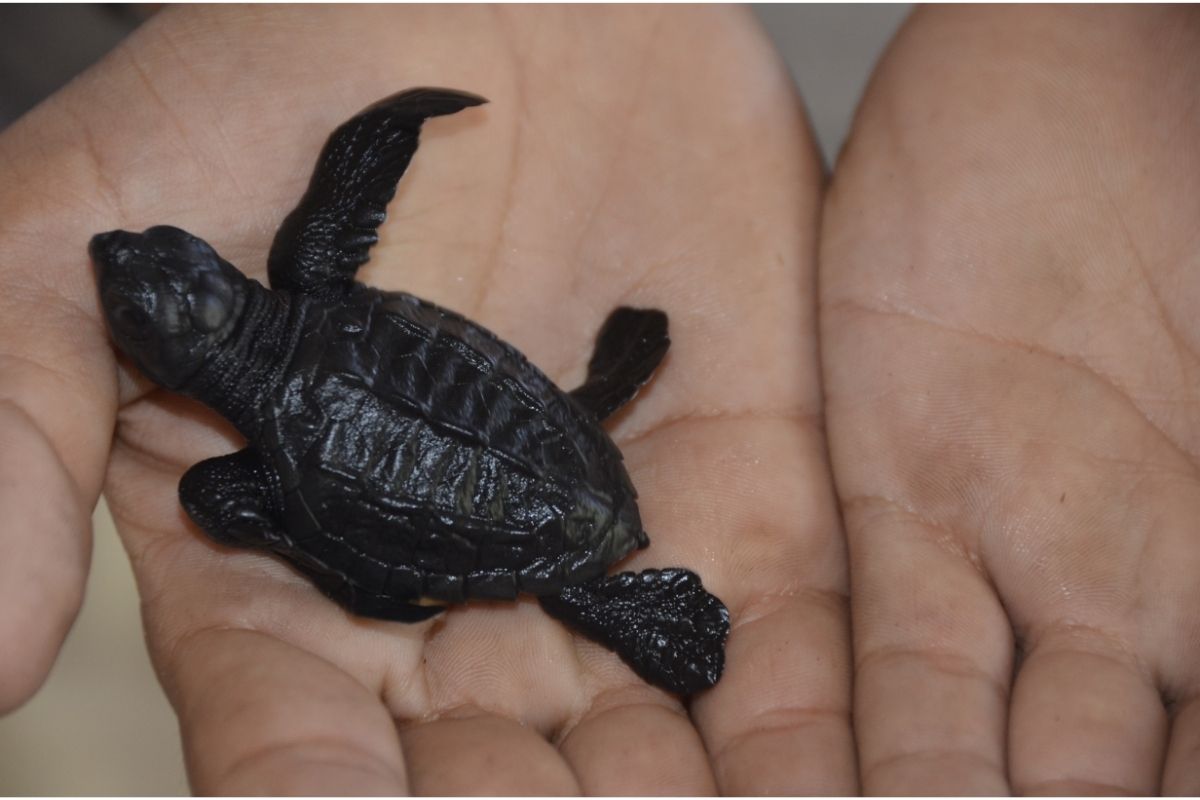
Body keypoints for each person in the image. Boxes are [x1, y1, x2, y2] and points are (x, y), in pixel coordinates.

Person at [0, 5, 1194, 794]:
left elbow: (287, 526)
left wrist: (349, 564)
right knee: (238, 497)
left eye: (155, 258)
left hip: (479, 482)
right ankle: (599, 444)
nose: (125, 249)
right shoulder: (308, 283)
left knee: (223, 495)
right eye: (144, 288)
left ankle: (598, 520)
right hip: (543, 437)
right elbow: (353, 183)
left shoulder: (262, 391)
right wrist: (390, 115)